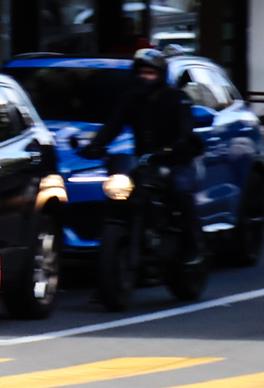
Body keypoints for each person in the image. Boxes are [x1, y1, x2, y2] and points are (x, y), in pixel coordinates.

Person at [82, 48, 201, 308]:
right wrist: (94, 146)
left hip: (174, 160)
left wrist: (178, 146)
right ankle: (107, 281)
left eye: (151, 72)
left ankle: (194, 249)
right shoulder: (131, 99)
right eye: (142, 72)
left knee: (181, 191)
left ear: (160, 75)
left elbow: (186, 129)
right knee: (117, 198)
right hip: (144, 161)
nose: (146, 77)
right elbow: (113, 125)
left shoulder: (176, 98)